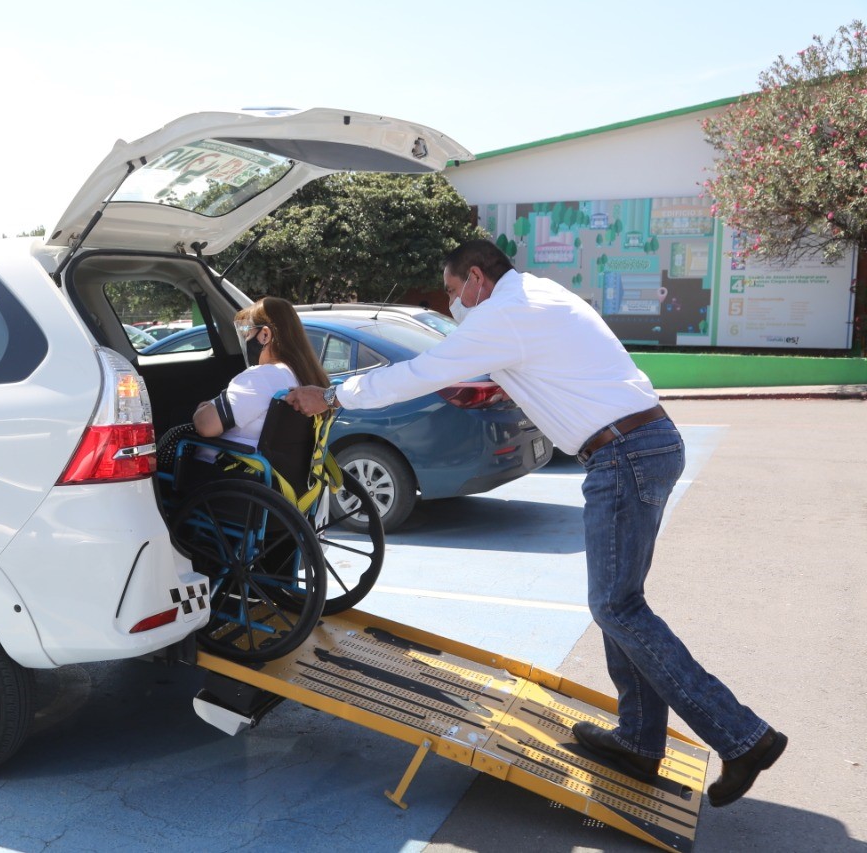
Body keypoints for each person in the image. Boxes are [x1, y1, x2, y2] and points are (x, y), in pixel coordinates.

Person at [286, 239, 785, 808]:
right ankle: (639, 741)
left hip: (623, 453)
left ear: (477, 278)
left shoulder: (505, 313)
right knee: (622, 604)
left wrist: (332, 395)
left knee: (616, 607)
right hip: (640, 443)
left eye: (453, 291)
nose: (452, 304)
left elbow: (422, 372)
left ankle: (743, 737)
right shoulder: (538, 296)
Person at [191, 296, 329, 457]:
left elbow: (205, 426)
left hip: (222, 468)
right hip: (274, 470)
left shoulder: (261, 377)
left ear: (265, 335)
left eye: (246, 334)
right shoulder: (306, 377)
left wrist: (203, 408)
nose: (245, 341)